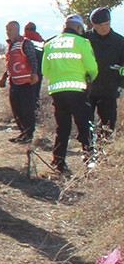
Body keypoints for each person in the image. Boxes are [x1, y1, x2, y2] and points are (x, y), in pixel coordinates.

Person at [41, 15, 97, 174]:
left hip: (57, 92)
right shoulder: (82, 42)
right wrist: (89, 78)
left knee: (62, 128)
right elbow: (92, 67)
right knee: (85, 126)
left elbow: (45, 70)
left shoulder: (50, 44)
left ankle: (58, 162)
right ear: (79, 28)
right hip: (78, 91)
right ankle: (89, 158)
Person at [0, 20, 42, 143]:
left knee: (27, 110)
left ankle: (28, 135)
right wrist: (4, 77)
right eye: (7, 30)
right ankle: (23, 133)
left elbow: (32, 59)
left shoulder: (25, 43)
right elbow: (10, 64)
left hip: (27, 83)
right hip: (14, 82)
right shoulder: (9, 46)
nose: (8, 32)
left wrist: (34, 74)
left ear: (17, 30)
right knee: (16, 110)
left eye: (10, 30)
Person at [85, 6, 124, 137]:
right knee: (85, 124)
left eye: (107, 24)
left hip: (109, 90)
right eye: (100, 25)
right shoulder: (84, 40)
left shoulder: (119, 41)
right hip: (87, 89)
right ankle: (88, 153)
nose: (104, 28)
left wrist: (120, 83)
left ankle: (103, 154)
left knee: (107, 126)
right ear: (93, 25)